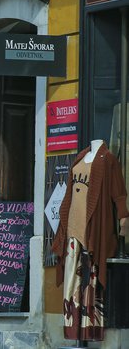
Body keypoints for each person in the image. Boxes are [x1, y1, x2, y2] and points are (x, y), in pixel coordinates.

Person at [52, 140, 128, 341]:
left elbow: (119, 193)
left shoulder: (109, 159)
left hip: (93, 230)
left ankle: (89, 332)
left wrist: (124, 220)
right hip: (72, 228)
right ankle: (72, 331)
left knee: (91, 282)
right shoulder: (80, 157)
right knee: (71, 280)